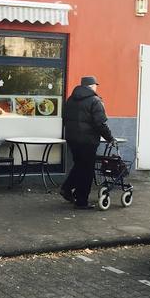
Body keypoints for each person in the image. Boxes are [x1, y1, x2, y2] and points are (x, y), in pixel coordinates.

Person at [60, 76, 115, 210]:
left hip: (72, 138)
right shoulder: (94, 101)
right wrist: (110, 138)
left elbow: (64, 118)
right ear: (91, 86)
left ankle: (67, 188)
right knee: (87, 170)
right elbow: (100, 123)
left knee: (79, 165)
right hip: (88, 141)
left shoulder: (70, 99)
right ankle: (81, 201)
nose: (96, 87)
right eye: (95, 85)